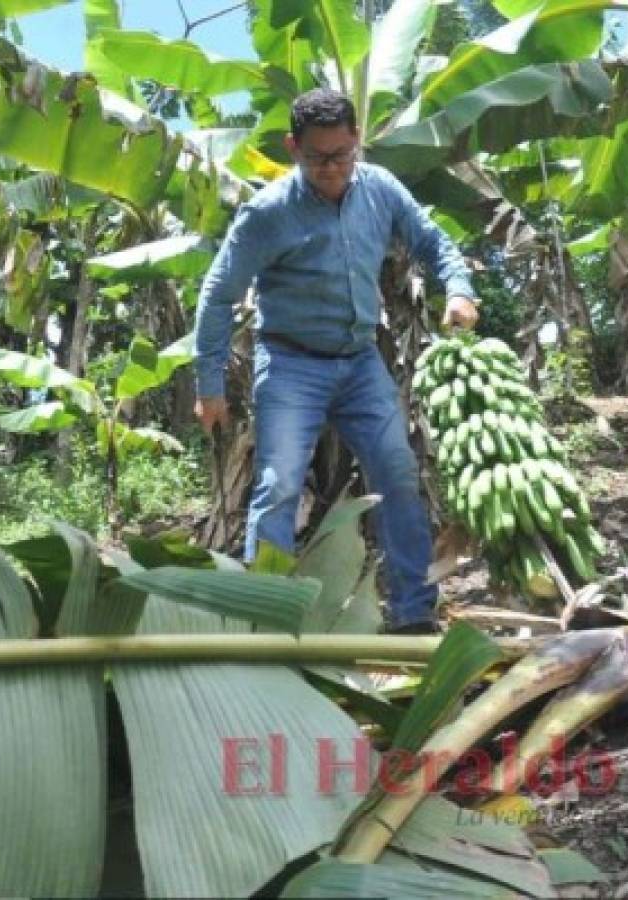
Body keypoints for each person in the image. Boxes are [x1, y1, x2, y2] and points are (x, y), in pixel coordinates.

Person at [192, 88, 479, 634]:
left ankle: (414, 613)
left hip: (359, 361)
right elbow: (217, 294)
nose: (331, 169)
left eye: (343, 155)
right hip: (291, 364)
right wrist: (210, 386)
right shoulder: (267, 214)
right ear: (292, 147)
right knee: (277, 486)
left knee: (397, 471)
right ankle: (269, 621)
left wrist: (459, 289)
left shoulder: (380, 190)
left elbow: (433, 241)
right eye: (317, 157)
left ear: (358, 144)